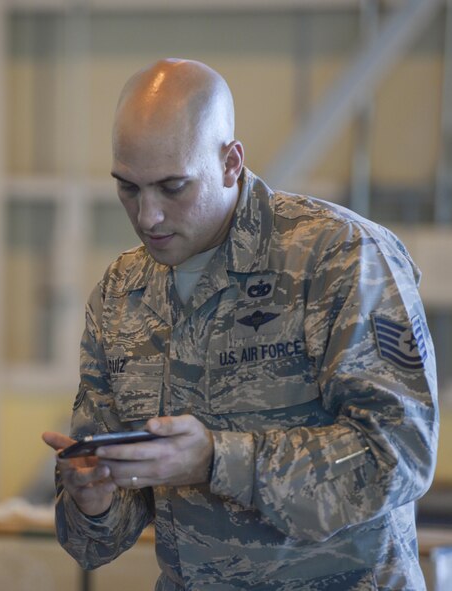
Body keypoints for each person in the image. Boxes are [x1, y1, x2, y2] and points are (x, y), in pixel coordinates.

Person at [42, 58, 439, 589]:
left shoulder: (337, 257)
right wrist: (94, 501)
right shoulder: (122, 293)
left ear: (231, 163)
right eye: (129, 189)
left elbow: (399, 454)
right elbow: (98, 539)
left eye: (172, 187)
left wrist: (216, 459)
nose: (148, 216)